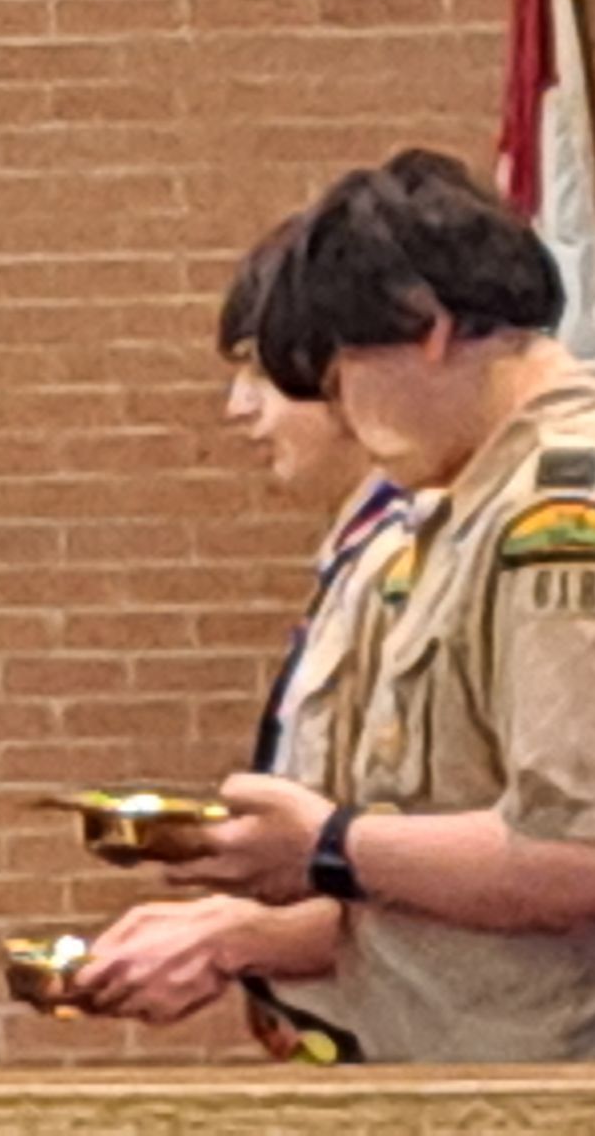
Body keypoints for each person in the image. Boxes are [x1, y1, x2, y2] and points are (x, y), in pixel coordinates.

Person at [159, 149, 595, 1061]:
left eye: (341, 375)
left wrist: (329, 849)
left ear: (430, 326)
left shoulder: (569, 508)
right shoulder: (489, 492)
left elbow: (592, 859)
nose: (344, 413)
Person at [75, 219, 408, 1062]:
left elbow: (454, 888)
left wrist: (244, 935)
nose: (239, 408)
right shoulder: (364, 561)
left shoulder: (414, 566)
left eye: (263, 372)